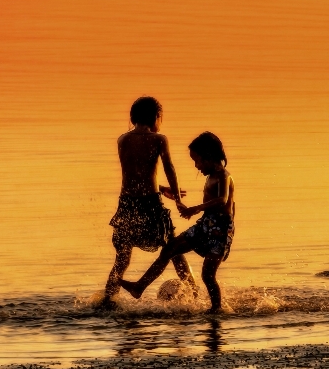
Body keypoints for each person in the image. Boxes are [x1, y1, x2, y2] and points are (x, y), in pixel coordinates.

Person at [121, 132, 235, 313]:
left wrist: (195, 208)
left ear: (210, 156)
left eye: (198, 161)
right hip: (205, 225)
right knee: (170, 248)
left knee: (208, 275)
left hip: (218, 231)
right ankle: (139, 287)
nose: (197, 166)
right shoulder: (210, 175)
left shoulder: (223, 175)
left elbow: (222, 200)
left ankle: (217, 309)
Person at [101, 97, 198, 306]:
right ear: (157, 117)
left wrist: (162, 189)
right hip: (150, 205)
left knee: (122, 259)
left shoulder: (122, 140)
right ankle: (195, 293)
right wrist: (178, 199)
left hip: (127, 204)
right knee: (174, 249)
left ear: (133, 117)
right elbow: (169, 168)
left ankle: (108, 300)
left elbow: (135, 173)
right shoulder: (159, 139)